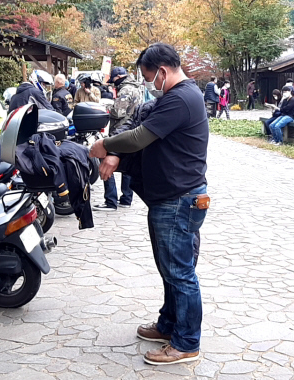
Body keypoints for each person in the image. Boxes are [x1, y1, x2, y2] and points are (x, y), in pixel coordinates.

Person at [89, 43, 208, 366]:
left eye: (147, 77)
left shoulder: (182, 99)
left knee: (180, 273)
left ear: (163, 72)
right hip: (170, 197)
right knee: (170, 268)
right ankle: (169, 324)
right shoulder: (173, 97)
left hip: (179, 199)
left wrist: (104, 145)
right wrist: (115, 151)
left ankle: (186, 343)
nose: (146, 83)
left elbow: (140, 137)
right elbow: (137, 122)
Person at [94, 66, 143, 211]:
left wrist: (107, 107)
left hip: (121, 131)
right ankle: (126, 198)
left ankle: (110, 201)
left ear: (118, 77)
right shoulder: (136, 87)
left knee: (105, 161)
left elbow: (118, 112)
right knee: (127, 165)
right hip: (133, 131)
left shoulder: (126, 89)